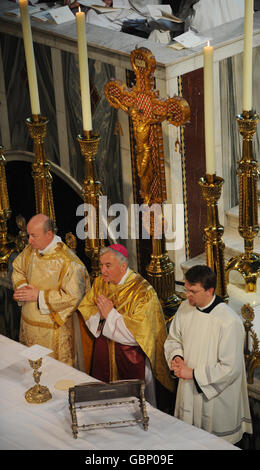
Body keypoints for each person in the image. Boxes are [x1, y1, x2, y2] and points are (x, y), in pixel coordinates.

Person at [164, 265, 252, 445]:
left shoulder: (229, 321)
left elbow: (230, 368)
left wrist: (193, 374)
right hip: (188, 389)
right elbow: (174, 339)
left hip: (216, 397)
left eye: (193, 291)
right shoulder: (184, 308)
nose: (188, 295)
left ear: (209, 290)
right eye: (186, 289)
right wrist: (176, 357)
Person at [78, 244, 174, 406]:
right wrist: (100, 318)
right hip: (104, 353)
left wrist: (110, 315)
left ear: (123, 266)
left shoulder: (143, 292)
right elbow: (86, 307)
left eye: (108, 266)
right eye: (101, 265)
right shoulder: (100, 283)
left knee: (133, 405)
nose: (103, 270)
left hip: (130, 357)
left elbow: (139, 334)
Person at [12, 214, 90, 367]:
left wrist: (39, 295)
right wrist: (22, 289)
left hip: (53, 332)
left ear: (49, 234)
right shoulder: (30, 250)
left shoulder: (70, 262)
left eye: (33, 236)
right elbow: (17, 268)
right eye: (29, 235)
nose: (29, 241)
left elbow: (74, 297)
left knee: (52, 374)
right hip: (28, 326)